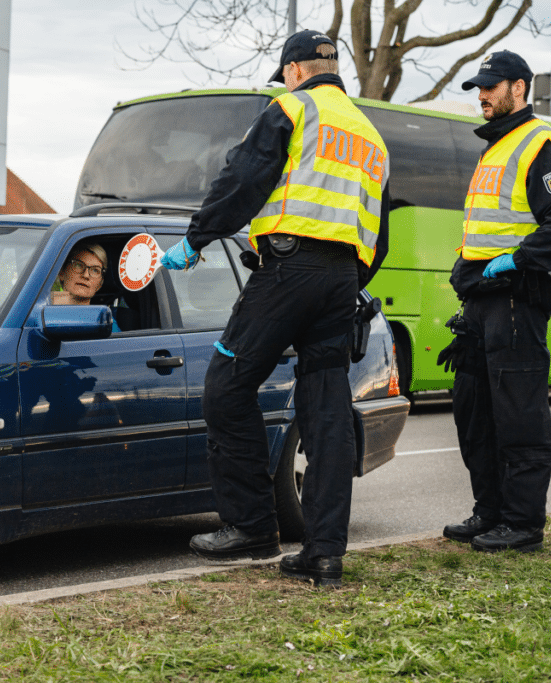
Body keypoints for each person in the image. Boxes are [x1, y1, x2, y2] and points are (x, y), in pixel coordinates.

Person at [160, 29, 391, 588]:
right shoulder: (371, 135)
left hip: (288, 270)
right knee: (326, 409)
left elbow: (243, 178)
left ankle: (251, 525)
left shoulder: (291, 109)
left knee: (226, 384)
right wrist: (347, 277)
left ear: (293, 70)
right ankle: (324, 553)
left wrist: (198, 237)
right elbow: (378, 233)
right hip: (342, 279)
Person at [438, 51, 551, 553]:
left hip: (517, 300)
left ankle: (523, 524)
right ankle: (491, 512)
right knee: (473, 410)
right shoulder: (497, 147)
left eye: (490, 86)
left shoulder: (540, 145)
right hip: (483, 302)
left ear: (519, 88)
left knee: (518, 414)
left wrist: (516, 261)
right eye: (479, 87)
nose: (481, 94)